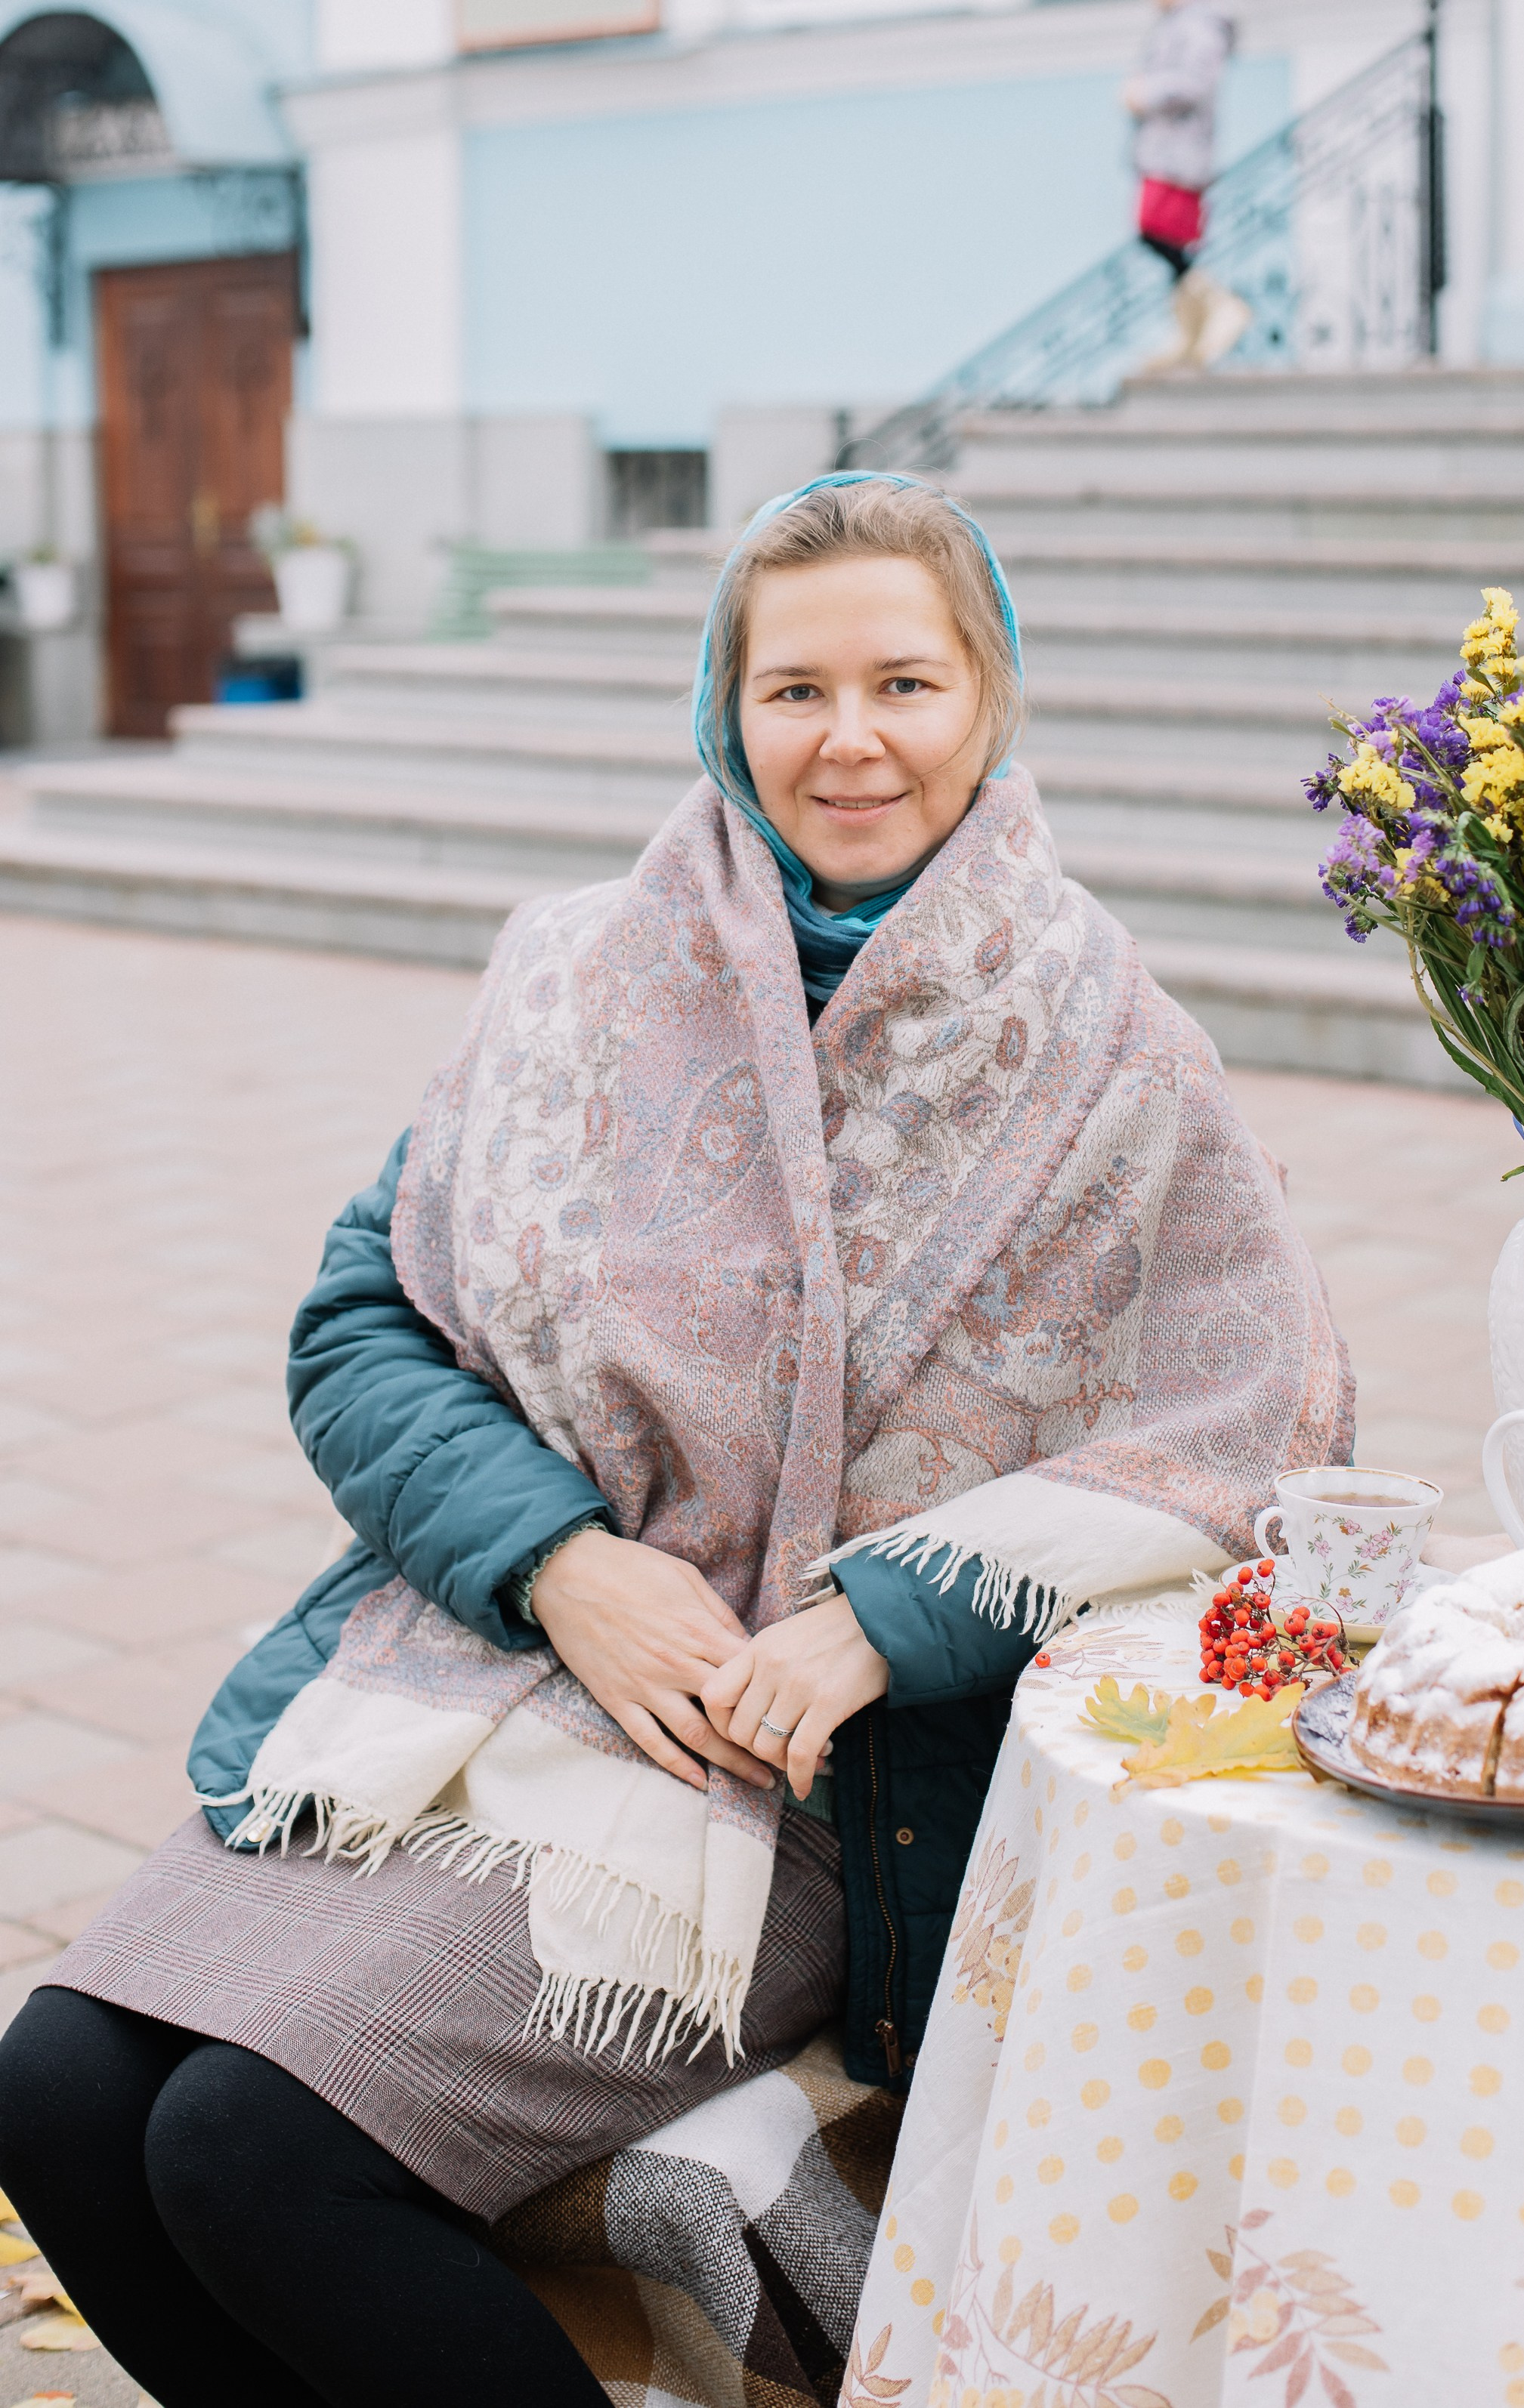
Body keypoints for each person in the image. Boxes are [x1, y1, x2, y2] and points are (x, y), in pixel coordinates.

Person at [0, 473, 1352, 2407]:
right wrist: (562, 1561)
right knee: (54, 2091)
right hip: (484, 1668)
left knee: (253, 2147)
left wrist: (889, 1612)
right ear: (727, 710)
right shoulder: (577, 974)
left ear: (989, 695)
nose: (850, 738)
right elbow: (366, 1322)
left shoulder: (1111, 1049)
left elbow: (1253, 1423)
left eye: (904, 681)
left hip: (794, 1767)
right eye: (794, 689)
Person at [1122, 0, 1253, 372]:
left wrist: (1145, 93)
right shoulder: (1184, 22)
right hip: (1167, 152)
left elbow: (1194, 83)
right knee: (1166, 237)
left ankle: (1219, 306)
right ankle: (1191, 331)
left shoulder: (1199, 24)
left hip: (1179, 156)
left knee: (1155, 232)